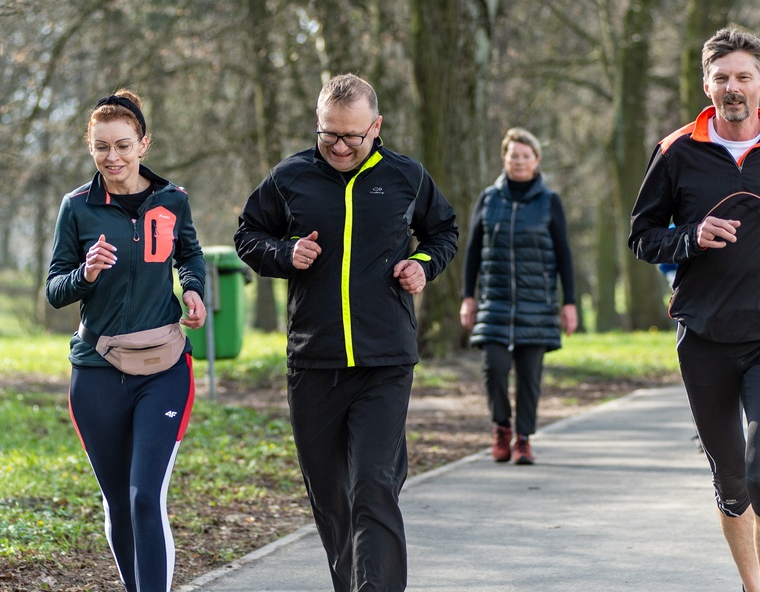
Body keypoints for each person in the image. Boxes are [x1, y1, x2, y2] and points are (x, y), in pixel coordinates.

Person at [233, 73, 458, 592]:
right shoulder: (290, 177)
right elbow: (248, 233)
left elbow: (443, 230)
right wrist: (284, 253)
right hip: (314, 361)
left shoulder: (408, 177)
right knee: (332, 498)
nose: (337, 146)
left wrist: (423, 263)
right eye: (327, 134)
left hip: (385, 361)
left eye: (351, 136)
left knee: (373, 487)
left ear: (375, 127)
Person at [628, 28, 760, 592]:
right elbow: (642, 237)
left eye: (744, 76)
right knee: (731, 484)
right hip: (704, 336)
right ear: (707, 85)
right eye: (722, 78)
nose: (734, 88)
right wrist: (690, 236)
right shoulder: (676, 151)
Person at [46, 89, 207, 592]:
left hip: (163, 369)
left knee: (144, 497)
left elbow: (190, 255)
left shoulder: (172, 200)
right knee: (118, 500)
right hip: (96, 373)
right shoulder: (77, 208)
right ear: (90, 148)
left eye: (121, 145)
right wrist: (86, 274)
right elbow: (54, 290)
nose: (111, 157)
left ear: (143, 145)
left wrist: (195, 291)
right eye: (100, 147)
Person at [459, 128, 577, 465]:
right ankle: (501, 428)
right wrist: (468, 297)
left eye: (526, 156)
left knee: (529, 375)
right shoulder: (489, 199)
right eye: (514, 156)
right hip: (494, 301)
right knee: (493, 367)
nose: (519, 162)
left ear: (536, 160)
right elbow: (471, 253)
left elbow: (564, 255)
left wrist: (569, 303)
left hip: (537, 303)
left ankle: (524, 439)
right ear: (504, 159)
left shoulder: (549, 201)